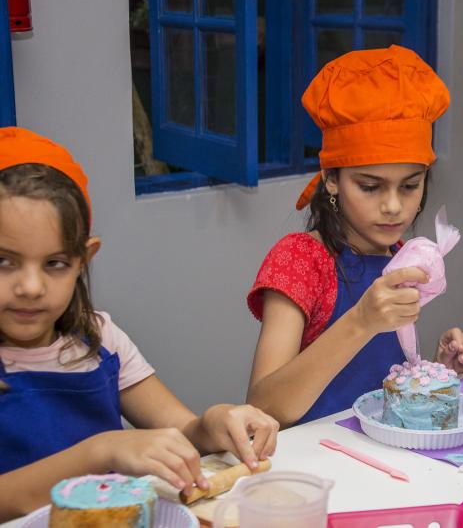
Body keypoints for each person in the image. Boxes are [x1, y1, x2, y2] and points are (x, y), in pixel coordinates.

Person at [0, 128, 279, 521]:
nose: (30, 287)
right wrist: (101, 452)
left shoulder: (100, 338)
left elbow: (183, 430)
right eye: (4, 261)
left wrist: (214, 422)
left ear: (83, 260)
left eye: (55, 263)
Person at [246, 45, 463, 428]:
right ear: (331, 179)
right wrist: (361, 320)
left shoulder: (400, 255)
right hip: (315, 456)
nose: (393, 206)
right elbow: (262, 408)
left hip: (382, 453)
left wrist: (432, 373)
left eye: (410, 185)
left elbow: (375, 387)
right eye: (370, 187)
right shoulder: (301, 260)